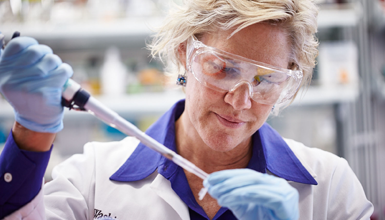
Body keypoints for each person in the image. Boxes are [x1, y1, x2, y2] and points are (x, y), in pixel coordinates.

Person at [0, 0, 373, 219]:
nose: (241, 102)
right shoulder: (93, 176)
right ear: (185, 55)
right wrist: (33, 132)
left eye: (267, 80)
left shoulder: (331, 185)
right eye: (224, 68)